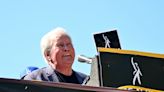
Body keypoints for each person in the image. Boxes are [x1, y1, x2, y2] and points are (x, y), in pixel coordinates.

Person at [23, 27, 87, 84]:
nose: (66, 49)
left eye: (69, 44)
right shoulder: (34, 79)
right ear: (48, 55)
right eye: (60, 45)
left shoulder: (86, 80)